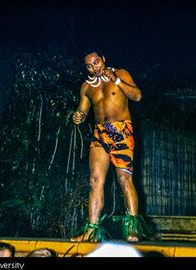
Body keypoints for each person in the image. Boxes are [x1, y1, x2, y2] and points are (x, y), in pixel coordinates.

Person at [70, 51, 150, 242]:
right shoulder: (86, 87)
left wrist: (117, 81)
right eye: (89, 65)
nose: (94, 67)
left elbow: (137, 96)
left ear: (103, 59)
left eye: (96, 62)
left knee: (124, 180)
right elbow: (82, 110)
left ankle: (133, 229)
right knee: (95, 181)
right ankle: (91, 230)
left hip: (122, 131)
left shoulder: (121, 74)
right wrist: (78, 116)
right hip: (100, 134)